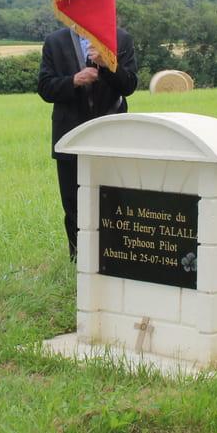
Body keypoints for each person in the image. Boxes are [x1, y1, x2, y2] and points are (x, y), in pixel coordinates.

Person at [37, 24, 137, 258]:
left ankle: (113, 255)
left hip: (112, 134)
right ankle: (79, 258)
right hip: (68, 135)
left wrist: (108, 64)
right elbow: (45, 88)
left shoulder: (121, 38)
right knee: (73, 201)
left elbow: (130, 84)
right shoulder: (55, 41)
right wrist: (74, 80)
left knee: (112, 197)